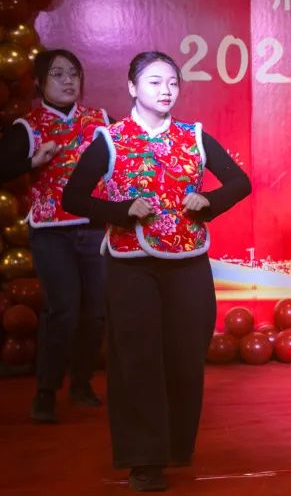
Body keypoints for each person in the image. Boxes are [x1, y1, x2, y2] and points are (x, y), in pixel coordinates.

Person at [62, 51, 251, 491]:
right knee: (137, 360)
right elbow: (73, 198)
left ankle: (175, 447)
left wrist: (209, 202)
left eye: (172, 82)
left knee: (186, 356)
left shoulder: (194, 136)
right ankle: (143, 460)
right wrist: (122, 211)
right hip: (132, 264)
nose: (166, 90)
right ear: (132, 87)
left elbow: (240, 182)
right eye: (154, 82)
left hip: (188, 260)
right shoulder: (110, 140)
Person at [0, 49, 109, 423]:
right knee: (63, 309)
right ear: (39, 83)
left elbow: (128, 157)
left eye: (74, 74)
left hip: (93, 227)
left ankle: (81, 383)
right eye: (58, 74)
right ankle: (46, 391)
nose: (68, 81)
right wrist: (33, 162)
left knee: (96, 311)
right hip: (51, 233)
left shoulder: (99, 121)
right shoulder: (28, 127)